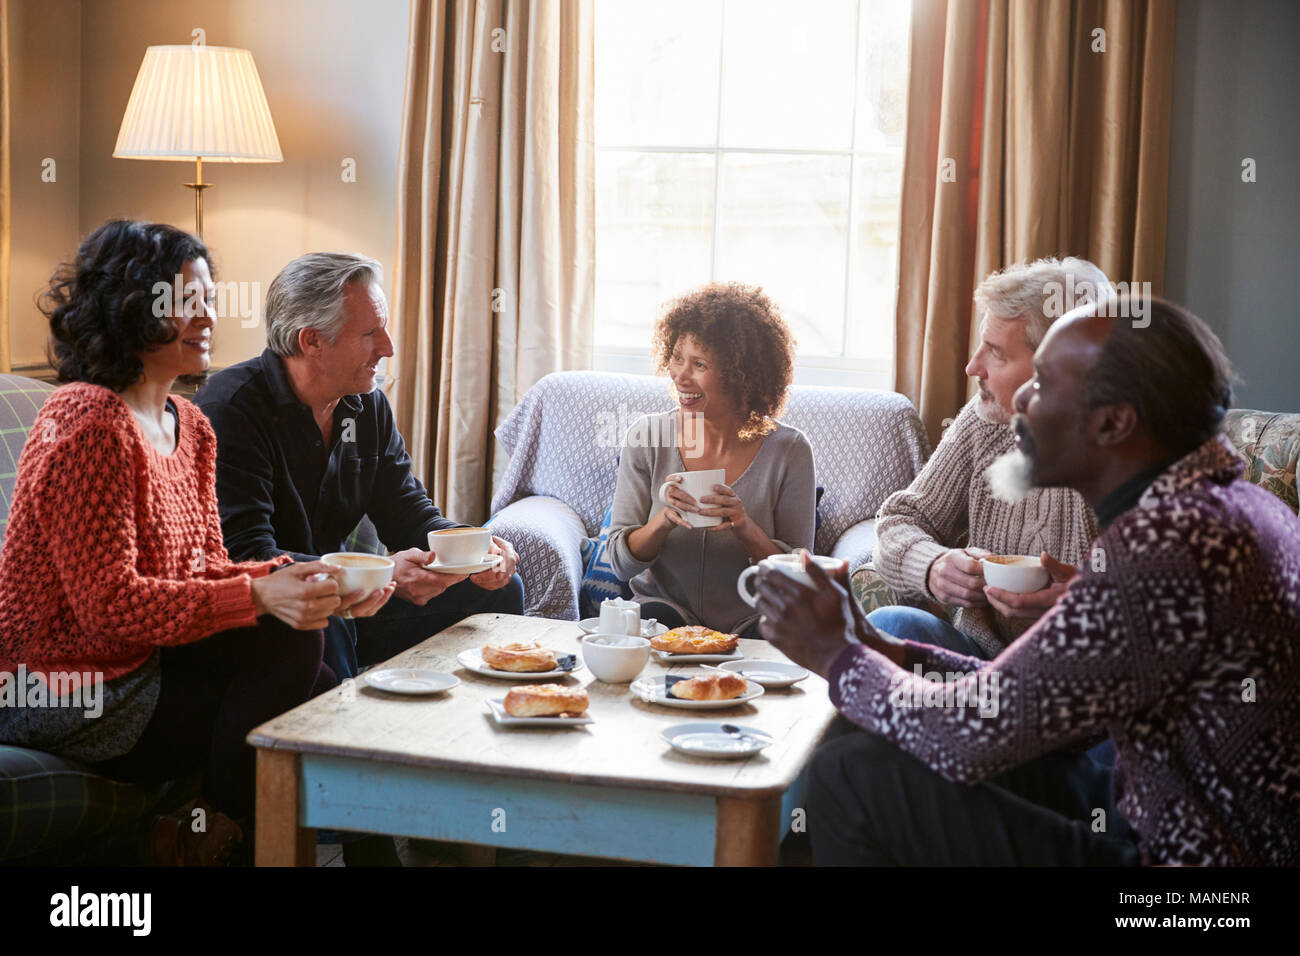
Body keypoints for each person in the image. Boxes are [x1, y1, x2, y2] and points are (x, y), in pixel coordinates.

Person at [757, 294, 1300, 866]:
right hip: (1154, 812)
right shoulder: (1227, 509)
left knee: (853, 776)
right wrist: (874, 645)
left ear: (1114, 422)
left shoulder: (1168, 547)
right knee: (871, 745)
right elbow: (1026, 704)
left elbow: (968, 737)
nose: (1020, 396)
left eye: (1042, 381)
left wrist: (837, 653)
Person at [0, 221, 393, 865]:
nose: (210, 314)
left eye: (208, 297)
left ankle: (222, 836)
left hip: (147, 662)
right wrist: (265, 595)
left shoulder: (193, 426)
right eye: (188, 301)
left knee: (312, 665)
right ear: (130, 309)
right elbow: (110, 608)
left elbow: (208, 568)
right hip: (70, 689)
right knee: (294, 657)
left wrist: (313, 586)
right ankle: (213, 837)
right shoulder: (88, 426)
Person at [195, 253, 523, 683]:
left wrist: (475, 550)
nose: (387, 347)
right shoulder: (230, 411)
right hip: (268, 611)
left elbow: (408, 511)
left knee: (494, 590)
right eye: (370, 333)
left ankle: (458, 734)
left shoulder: (366, 405)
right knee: (322, 608)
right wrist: (378, 575)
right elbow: (250, 554)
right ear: (311, 341)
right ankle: (347, 744)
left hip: (351, 599)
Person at [871, 257, 1108, 658]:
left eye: (995, 353)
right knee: (889, 626)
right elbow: (901, 520)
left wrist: (1087, 600)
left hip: (1078, 679)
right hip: (979, 663)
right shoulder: (986, 420)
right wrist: (934, 567)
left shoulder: (1122, 449)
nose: (971, 366)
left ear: (1058, 367)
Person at [605, 282, 816, 638]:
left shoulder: (790, 450)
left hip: (753, 627)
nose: (680, 376)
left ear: (740, 374)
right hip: (660, 621)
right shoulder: (647, 438)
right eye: (676, 357)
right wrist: (663, 520)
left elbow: (798, 577)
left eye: (699, 363)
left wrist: (745, 529)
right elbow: (620, 565)